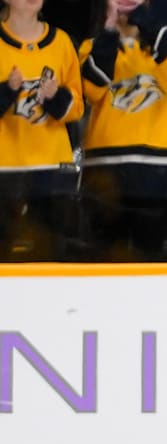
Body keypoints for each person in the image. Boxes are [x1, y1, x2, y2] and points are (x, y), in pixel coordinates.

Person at [78, 0, 167, 262]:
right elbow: (92, 91)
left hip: (156, 166)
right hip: (105, 168)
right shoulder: (90, 46)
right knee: (105, 259)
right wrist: (109, 34)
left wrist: (155, 34)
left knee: (150, 258)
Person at [0, 0, 83, 261]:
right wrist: (7, 91)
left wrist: (55, 97)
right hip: (5, 168)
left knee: (50, 254)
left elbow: (78, 107)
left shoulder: (61, 42)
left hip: (51, 170)